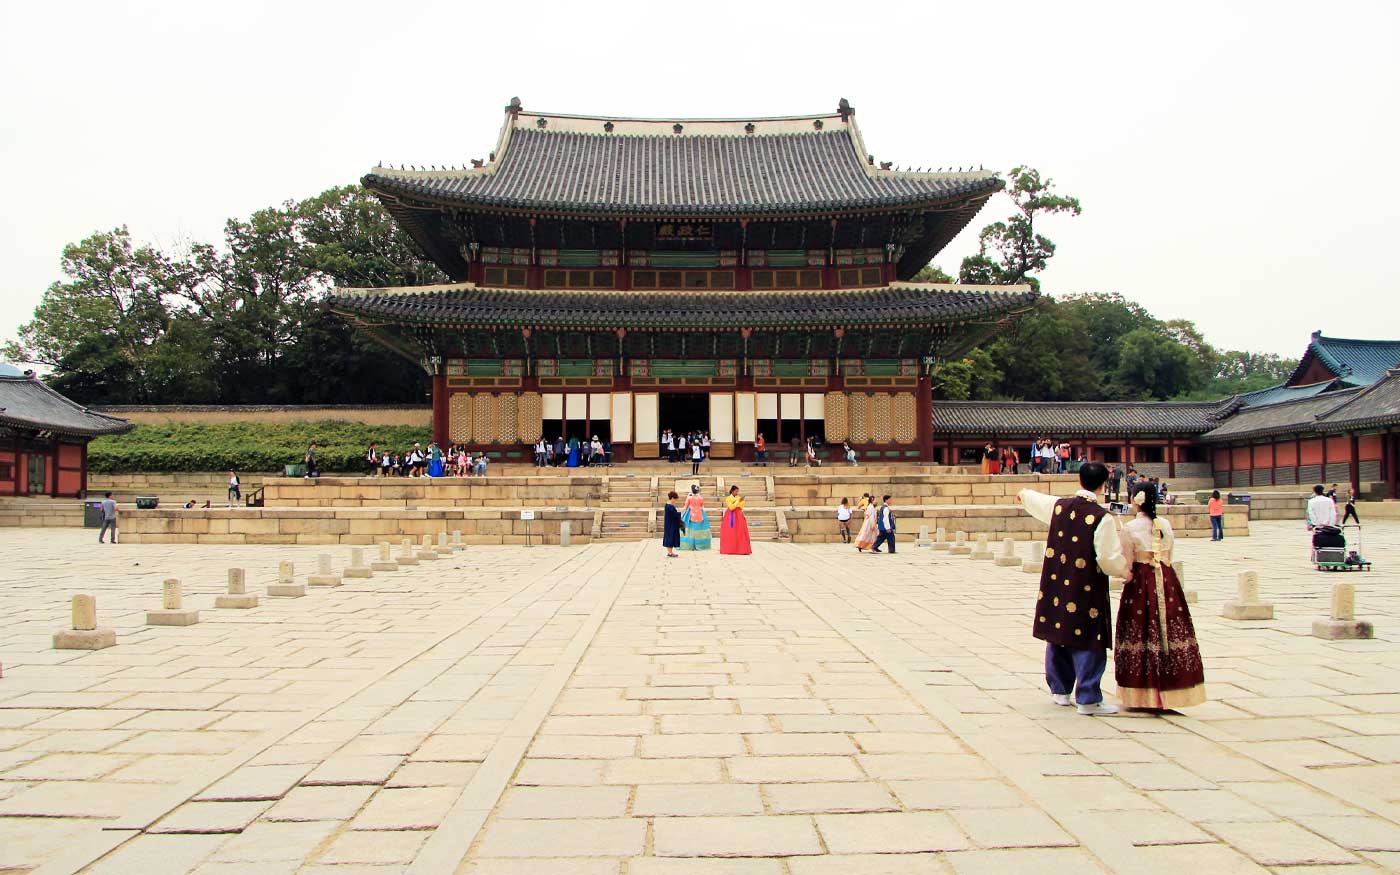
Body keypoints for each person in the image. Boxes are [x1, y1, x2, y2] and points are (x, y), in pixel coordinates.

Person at [1017, 461, 1129, 716]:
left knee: (1059, 630)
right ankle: (1088, 698)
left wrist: (1023, 494)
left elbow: (1037, 500)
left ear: (1079, 481)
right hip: (1086, 585)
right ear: (1103, 485)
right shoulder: (1102, 518)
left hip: (1057, 583)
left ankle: (1060, 691)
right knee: (1088, 636)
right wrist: (1125, 570)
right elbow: (1108, 558)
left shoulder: (1060, 507)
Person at [1115, 483, 1206, 710]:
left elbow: (1126, 563)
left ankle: (1141, 693)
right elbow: (1169, 552)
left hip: (1141, 582)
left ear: (1135, 500)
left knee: (1141, 629)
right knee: (1170, 629)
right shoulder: (1165, 524)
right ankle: (1174, 691)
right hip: (1167, 579)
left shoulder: (1129, 528)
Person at [720, 485, 752, 555]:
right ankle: (730, 548)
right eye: (736, 491)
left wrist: (739, 501)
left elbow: (741, 506)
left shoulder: (738, 497)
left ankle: (741, 549)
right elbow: (731, 507)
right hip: (731, 516)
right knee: (730, 532)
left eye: (738, 491)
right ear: (732, 491)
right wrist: (737, 502)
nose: (737, 492)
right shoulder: (728, 498)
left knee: (740, 531)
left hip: (739, 515)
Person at [680, 484, 712, 551]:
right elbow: (702, 506)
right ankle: (701, 545)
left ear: (692, 490)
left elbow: (685, 507)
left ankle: (688, 545)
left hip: (690, 514)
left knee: (689, 530)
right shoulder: (701, 498)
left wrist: (681, 514)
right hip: (700, 513)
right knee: (699, 529)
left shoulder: (689, 498)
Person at [662, 490, 684, 558]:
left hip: (669, 524)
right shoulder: (670, 506)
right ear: (672, 498)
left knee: (670, 537)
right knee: (670, 538)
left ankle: (670, 552)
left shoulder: (668, 505)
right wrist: (681, 512)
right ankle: (670, 553)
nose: (675, 500)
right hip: (671, 525)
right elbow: (674, 514)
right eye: (675, 499)